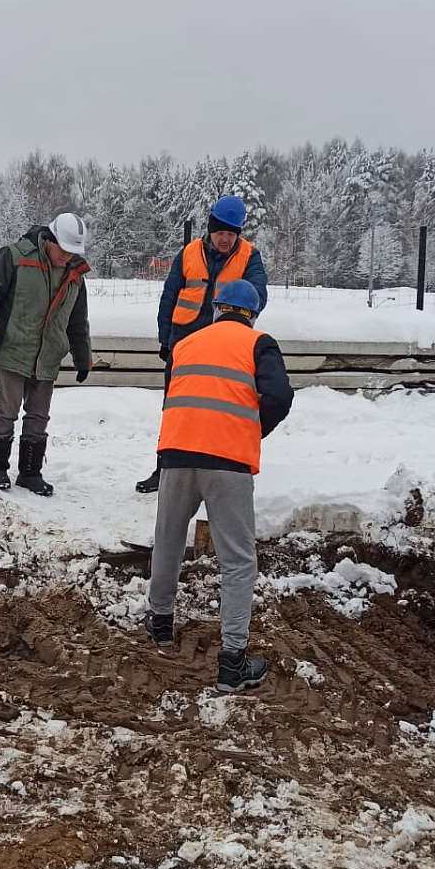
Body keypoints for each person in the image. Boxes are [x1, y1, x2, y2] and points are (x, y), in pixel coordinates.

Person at [144, 277, 293, 693]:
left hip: (175, 455)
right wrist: (249, 430)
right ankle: (232, 662)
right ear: (252, 314)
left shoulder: (186, 344)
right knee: (239, 560)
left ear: (216, 308)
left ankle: (159, 624)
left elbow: (177, 395)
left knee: (169, 539)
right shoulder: (259, 344)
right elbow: (279, 397)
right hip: (226, 462)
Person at [135, 194, 269, 493]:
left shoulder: (250, 257)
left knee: (215, 408)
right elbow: (170, 295)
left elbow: (258, 294)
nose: (225, 239)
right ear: (210, 229)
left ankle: (214, 468)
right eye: (220, 232)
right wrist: (164, 339)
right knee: (175, 408)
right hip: (183, 342)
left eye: (231, 234)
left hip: (224, 347)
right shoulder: (189, 252)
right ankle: (165, 469)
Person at [0, 212, 92, 496]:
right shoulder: (14, 257)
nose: (67, 256)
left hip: (48, 356)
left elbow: (77, 319)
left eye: (73, 251)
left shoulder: (75, 274)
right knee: (7, 411)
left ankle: (30, 473)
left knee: (39, 417)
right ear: (49, 239)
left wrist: (82, 356)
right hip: (14, 350)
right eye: (64, 249)